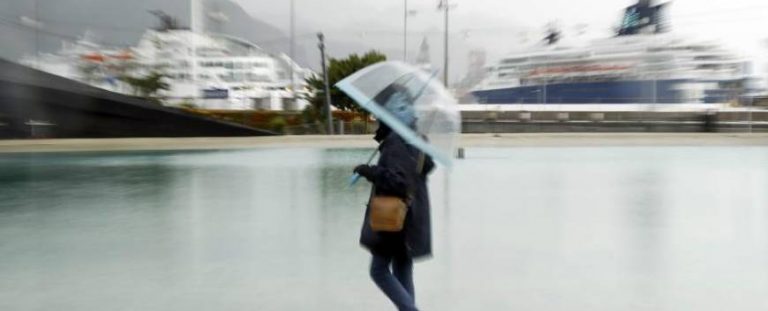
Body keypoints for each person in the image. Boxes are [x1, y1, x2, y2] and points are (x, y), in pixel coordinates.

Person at [353, 86, 435, 311]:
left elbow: (398, 182)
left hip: (395, 220)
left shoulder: (396, 142)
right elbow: (422, 171)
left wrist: (370, 171)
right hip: (413, 216)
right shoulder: (417, 139)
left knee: (378, 271)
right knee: (402, 267)